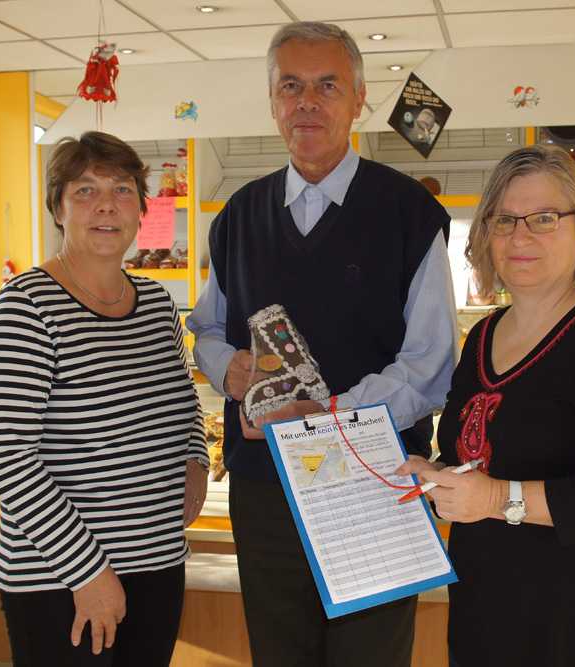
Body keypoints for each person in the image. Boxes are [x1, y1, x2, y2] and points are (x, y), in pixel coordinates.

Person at [186, 21, 458, 667]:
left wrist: (331, 419)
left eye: (327, 85)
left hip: (374, 477)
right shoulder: (237, 216)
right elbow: (206, 329)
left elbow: (431, 363)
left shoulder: (409, 213)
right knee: (280, 651)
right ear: (274, 101)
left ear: (358, 98)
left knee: (371, 652)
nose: (308, 102)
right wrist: (227, 369)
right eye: (292, 86)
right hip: (264, 485)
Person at [398, 144, 575, 666]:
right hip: (484, 615)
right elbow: (478, 459)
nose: (521, 236)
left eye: (544, 218)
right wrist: (437, 478)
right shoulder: (481, 336)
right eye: (504, 219)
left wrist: (495, 499)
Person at [0, 131, 208, 666]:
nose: (106, 205)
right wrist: (89, 572)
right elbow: (9, 457)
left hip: (156, 561)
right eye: (85, 190)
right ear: (58, 208)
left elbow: (182, 398)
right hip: (61, 578)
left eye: (122, 190)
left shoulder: (154, 302)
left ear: (140, 209)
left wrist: (196, 458)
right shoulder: (26, 306)